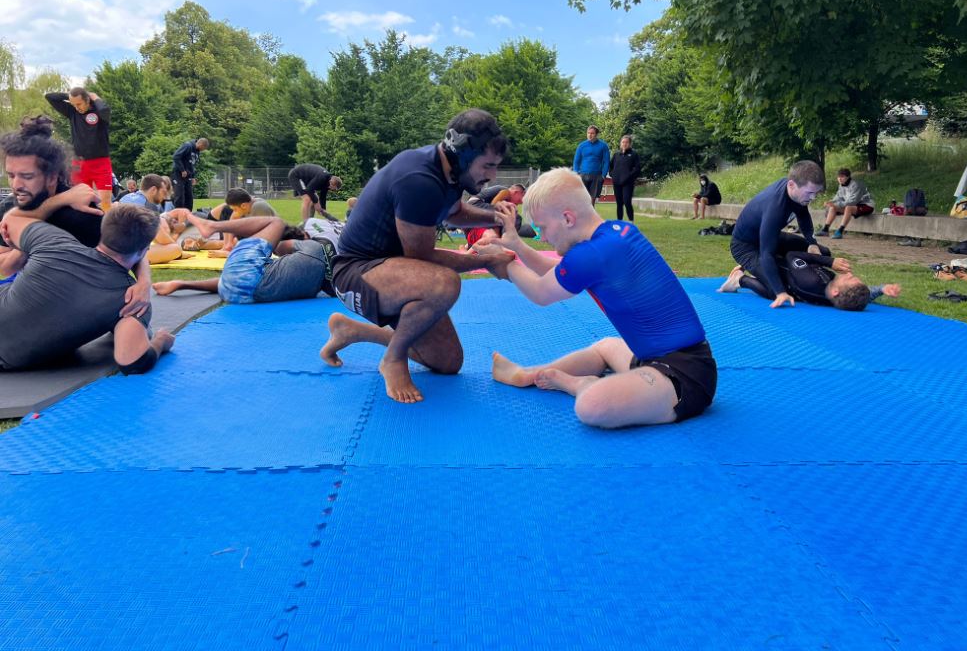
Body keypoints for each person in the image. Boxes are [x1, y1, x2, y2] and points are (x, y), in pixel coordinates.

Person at [486, 168, 716, 429]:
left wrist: (504, 265)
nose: (543, 236)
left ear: (568, 218)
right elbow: (558, 274)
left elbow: (541, 292)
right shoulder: (615, 233)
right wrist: (515, 245)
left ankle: (579, 383)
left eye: (543, 227)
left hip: (685, 376)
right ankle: (531, 374)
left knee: (591, 405)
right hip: (654, 358)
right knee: (605, 346)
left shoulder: (593, 254)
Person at [319, 108, 515, 404]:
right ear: (461, 155)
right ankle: (393, 359)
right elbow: (423, 258)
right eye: (487, 166)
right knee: (443, 284)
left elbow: (456, 213)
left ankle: (352, 331)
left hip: (392, 272)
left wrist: (495, 219)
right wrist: (485, 260)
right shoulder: (420, 180)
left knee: (448, 362)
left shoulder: (448, 173)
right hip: (354, 273)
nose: (492, 176)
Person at [0, 200, 172, 373]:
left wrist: (68, 196)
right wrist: (160, 342)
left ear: (102, 232)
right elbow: (132, 361)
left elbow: (12, 218)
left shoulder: (54, 241)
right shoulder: (132, 299)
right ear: (144, 250)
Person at [0, 117, 150, 306]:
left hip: (83, 300)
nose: (16, 185)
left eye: (27, 176)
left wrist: (144, 283)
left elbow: (134, 249)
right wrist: (27, 241)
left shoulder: (82, 211)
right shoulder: (9, 207)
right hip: (35, 297)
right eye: (11, 175)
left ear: (52, 177)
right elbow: (5, 267)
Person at [152, 213, 329, 303]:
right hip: (241, 294)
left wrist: (275, 242)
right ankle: (181, 283)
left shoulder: (311, 250)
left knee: (277, 223)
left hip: (238, 287)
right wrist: (183, 284)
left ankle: (211, 225)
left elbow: (282, 246)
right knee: (252, 272)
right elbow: (237, 280)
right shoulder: (306, 279)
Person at [728, 160, 825, 308]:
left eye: (816, 193)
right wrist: (780, 292)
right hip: (746, 247)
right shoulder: (775, 207)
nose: (813, 198)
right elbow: (767, 254)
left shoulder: (796, 193)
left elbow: (803, 215)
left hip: (767, 236)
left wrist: (812, 242)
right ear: (791, 185)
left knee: (823, 252)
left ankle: (767, 270)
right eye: (810, 193)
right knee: (779, 291)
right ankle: (740, 279)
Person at [718, 251, 900, 311]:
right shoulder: (839, 298)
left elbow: (792, 255)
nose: (849, 274)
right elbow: (864, 296)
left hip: (767, 263)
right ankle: (739, 280)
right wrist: (883, 288)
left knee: (775, 292)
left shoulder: (813, 281)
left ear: (837, 291)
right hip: (791, 283)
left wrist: (829, 262)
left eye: (849, 279)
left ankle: (740, 279)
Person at [44, 87, 113, 211]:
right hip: (79, 165)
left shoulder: (100, 112)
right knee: (79, 203)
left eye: (79, 104)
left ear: (87, 100)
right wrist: (70, 97)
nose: (77, 107)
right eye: (73, 104)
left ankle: (104, 229)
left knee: (105, 204)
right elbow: (50, 97)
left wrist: (94, 96)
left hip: (101, 163)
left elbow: (105, 109)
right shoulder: (72, 112)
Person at [818, 168, 874, 239]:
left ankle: (840, 231)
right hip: (854, 206)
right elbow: (838, 197)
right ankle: (825, 230)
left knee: (848, 208)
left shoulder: (856, 185)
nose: (839, 179)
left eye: (842, 177)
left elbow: (853, 201)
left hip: (866, 205)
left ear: (848, 177)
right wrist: (831, 202)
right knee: (833, 208)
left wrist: (837, 204)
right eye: (838, 177)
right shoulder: (841, 185)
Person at [572, 125, 610, 205]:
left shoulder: (603, 146)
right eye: (588, 133)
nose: (590, 135)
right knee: (582, 198)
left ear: (596, 134)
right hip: (583, 174)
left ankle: (590, 216)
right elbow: (576, 161)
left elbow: (606, 162)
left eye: (592, 133)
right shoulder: (581, 146)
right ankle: (582, 216)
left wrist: (603, 175)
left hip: (596, 175)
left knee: (592, 199)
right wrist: (576, 173)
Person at [608, 135, 641, 221]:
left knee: (627, 202)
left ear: (630, 144)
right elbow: (610, 167)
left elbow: (637, 168)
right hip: (617, 182)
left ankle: (631, 222)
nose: (624, 144)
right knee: (619, 204)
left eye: (626, 142)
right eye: (623, 142)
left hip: (628, 183)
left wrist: (630, 176)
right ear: (620, 143)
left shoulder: (634, 154)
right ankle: (620, 222)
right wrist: (613, 175)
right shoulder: (616, 155)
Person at [171, 138, 209, 211]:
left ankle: (188, 215)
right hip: (178, 174)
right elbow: (176, 157)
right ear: (201, 144)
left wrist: (193, 177)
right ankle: (177, 215)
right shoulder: (188, 146)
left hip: (188, 176)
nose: (203, 150)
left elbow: (192, 165)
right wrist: (182, 170)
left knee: (189, 197)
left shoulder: (197, 151)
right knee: (180, 196)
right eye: (203, 148)